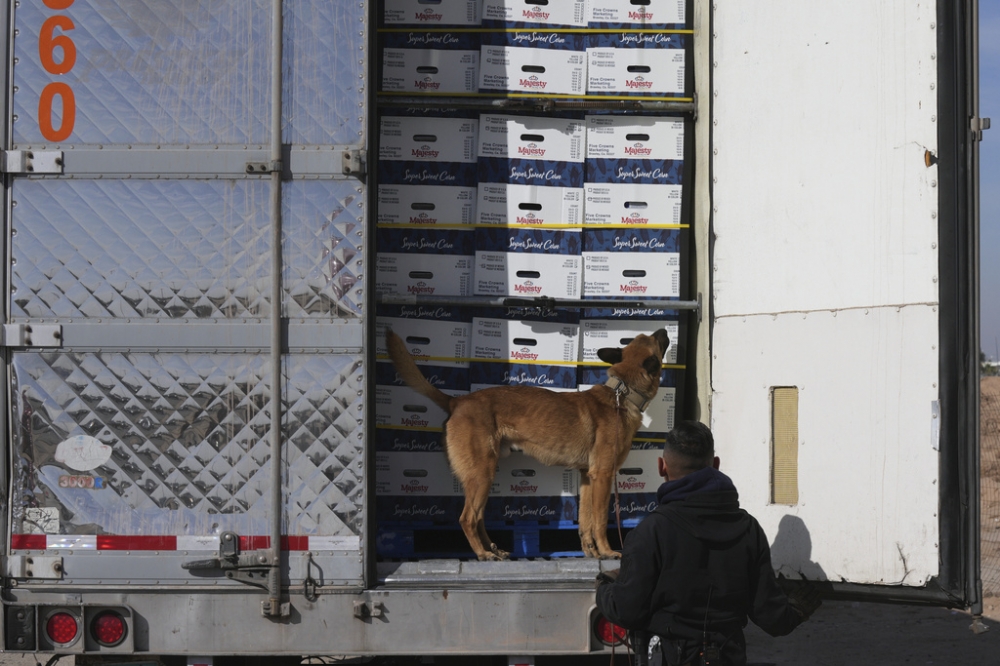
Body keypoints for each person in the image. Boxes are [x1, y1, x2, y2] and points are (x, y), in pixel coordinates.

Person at [596, 421, 821, 666]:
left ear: (662, 467)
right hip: (729, 655)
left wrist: (604, 588)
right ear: (715, 465)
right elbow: (771, 617)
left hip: (674, 657)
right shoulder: (749, 529)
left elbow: (627, 611)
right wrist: (796, 610)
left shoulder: (650, 532)